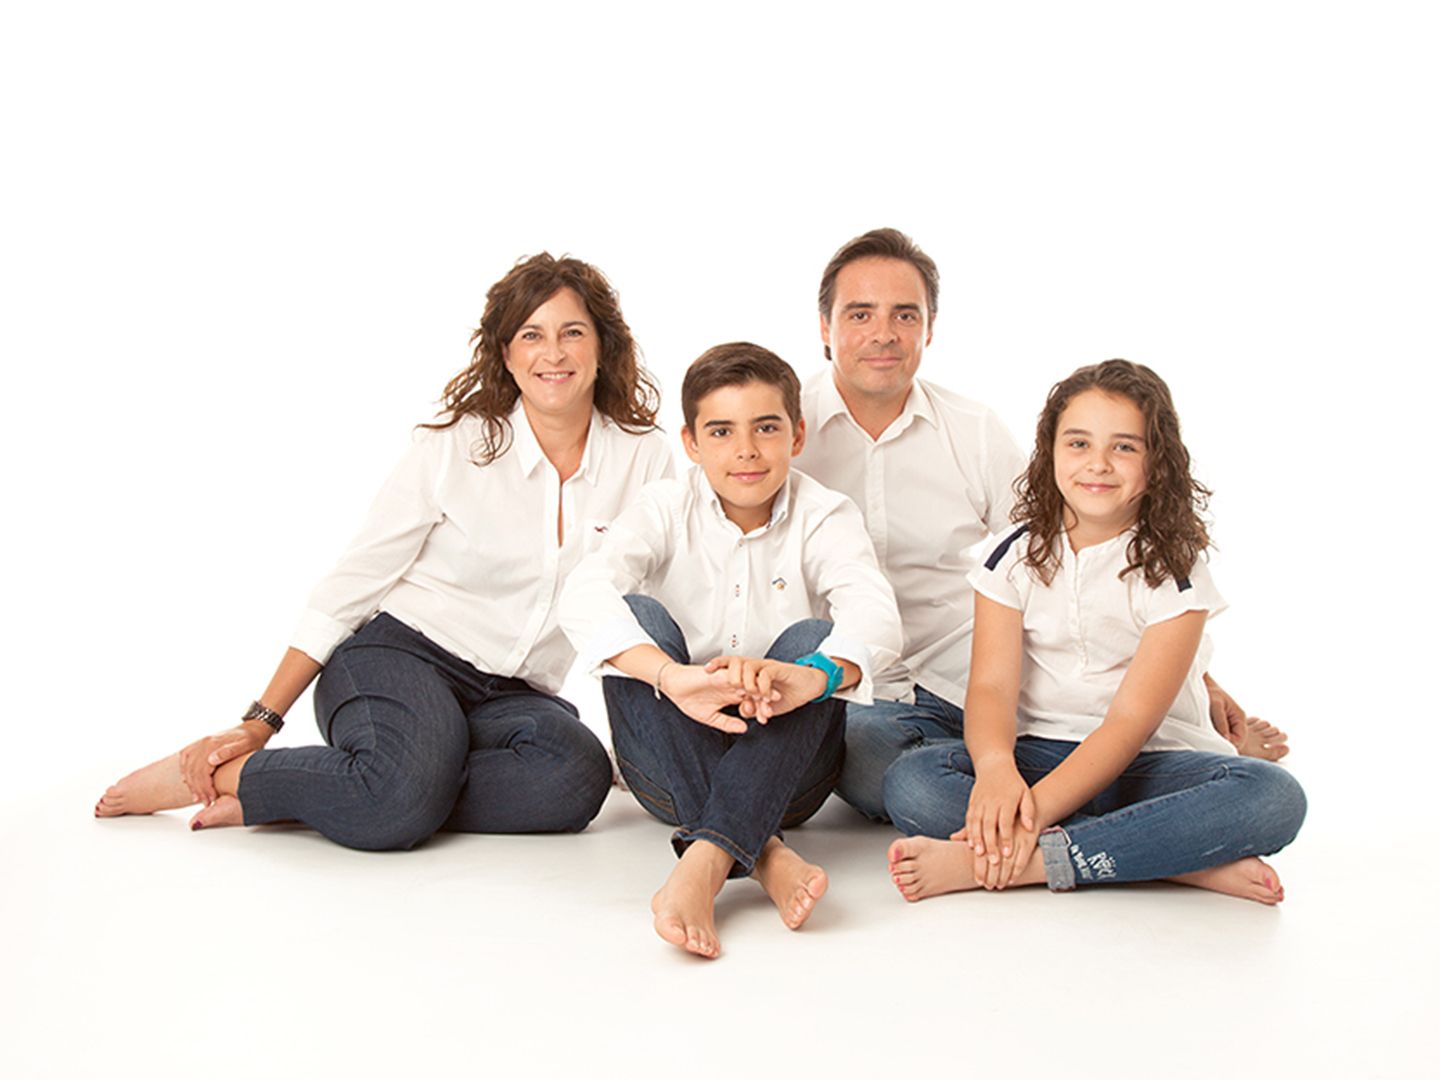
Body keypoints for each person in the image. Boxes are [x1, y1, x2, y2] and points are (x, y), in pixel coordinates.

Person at [95, 253, 674, 850]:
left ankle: (365, 785)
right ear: (506, 354)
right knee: (399, 797)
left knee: (575, 778)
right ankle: (240, 779)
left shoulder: (645, 456)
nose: (553, 354)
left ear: (603, 346)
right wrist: (260, 721)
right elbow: (353, 584)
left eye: (572, 332)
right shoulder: (454, 447)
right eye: (531, 335)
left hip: (515, 696)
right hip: (400, 660)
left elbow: (651, 599)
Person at [794, 227, 1287, 822]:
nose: (883, 334)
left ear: (929, 328)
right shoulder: (777, 430)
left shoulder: (973, 430)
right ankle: (1128, 811)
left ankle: (1039, 799)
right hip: (866, 691)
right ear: (825, 327)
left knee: (926, 778)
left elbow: (1069, 552)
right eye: (860, 313)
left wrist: (1195, 680)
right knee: (876, 765)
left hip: (976, 682)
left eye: (905, 314)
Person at [883, 360, 1306, 903]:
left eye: (1124, 447)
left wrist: (1027, 819)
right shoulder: (1012, 558)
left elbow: (1128, 724)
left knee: (1273, 796)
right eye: (1078, 444)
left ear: (1158, 462)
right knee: (913, 781)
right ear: (1051, 452)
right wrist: (994, 771)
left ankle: (1034, 863)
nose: (1098, 465)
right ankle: (1168, 855)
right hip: (1041, 752)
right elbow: (990, 687)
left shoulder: (1175, 571)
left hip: (1149, 759)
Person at [559, 343, 902, 958]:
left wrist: (811, 677)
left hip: (791, 774)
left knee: (811, 640)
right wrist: (672, 677)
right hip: (666, 766)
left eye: (765, 428)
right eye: (722, 431)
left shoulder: (826, 513)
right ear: (691, 443)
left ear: (796, 435)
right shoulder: (665, 506)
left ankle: (706, 858)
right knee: (637, 616)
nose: (746, 450)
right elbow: (583, 593)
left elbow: (875, 612)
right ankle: (764, 853)